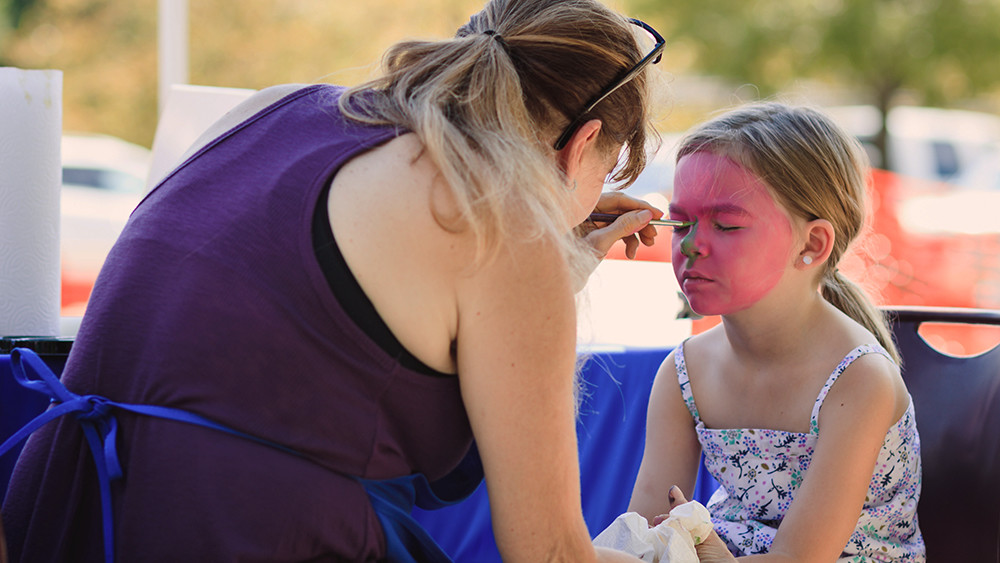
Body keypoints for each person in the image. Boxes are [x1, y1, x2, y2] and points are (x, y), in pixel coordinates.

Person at [1, 1, 669, 561]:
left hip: (61, 504)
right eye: (605, 176)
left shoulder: (276, 105)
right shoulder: (506, 219)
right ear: (582, 145)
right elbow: (547, 550)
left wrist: (560, 273)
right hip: (237, 532)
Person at [627, 103, 925, 562]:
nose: (691, 245)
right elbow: (644, 537)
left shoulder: (859, 380)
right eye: (681, 222)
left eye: (726, 224)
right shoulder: (684, 372)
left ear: (811, 244)